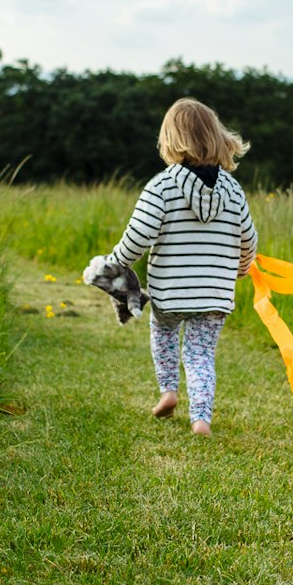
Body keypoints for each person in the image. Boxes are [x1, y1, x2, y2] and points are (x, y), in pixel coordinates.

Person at [104, 98, 257, 437]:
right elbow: (248, 239)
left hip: (171, 293)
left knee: (163, 334)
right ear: (217, 137)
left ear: (170, 139)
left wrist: (113, 266)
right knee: (201, 354)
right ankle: (201, 419)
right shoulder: (233, 190)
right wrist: (242, 269)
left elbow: (137, 238)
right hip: (215, 293)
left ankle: (169, 392)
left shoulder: (161, 187)